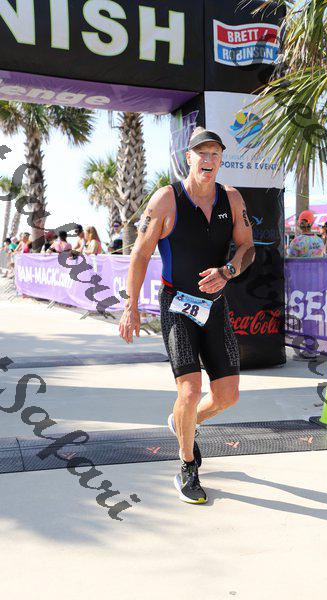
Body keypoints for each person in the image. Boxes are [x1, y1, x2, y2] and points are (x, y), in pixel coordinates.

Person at [119, 126, 255, 504]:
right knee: (190, 391)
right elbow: (140, 254)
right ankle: (187, 464)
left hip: (215, 305)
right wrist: (131, 306)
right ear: (189, 158)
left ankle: (183, 421)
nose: (208, 160)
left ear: (220, 159)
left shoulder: (232, 198)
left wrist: (227, 271)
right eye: (202, 154)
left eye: (215, 154)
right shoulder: (167, 199)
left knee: (227, 396)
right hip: (177, 304)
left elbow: (247, 247)